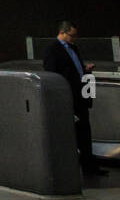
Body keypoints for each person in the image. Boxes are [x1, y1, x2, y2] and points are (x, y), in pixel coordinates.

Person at [43, 20, 108, 176]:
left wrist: (85, 69)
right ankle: (69, 165)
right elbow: (52, 72)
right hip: (67, 96)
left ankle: (89, 166)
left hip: (80, 94)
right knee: (71, 130)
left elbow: (74, 67)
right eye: (72, 35)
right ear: (62, 33)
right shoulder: (52, 49)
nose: (74, 38)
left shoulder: (73, 48)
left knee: (84, 129)